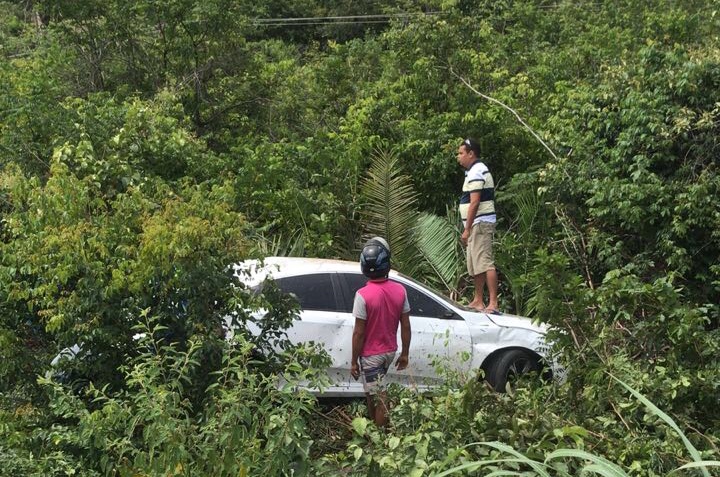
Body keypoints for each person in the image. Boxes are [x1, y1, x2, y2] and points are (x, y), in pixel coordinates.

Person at [350, 237, 411, 427]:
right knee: (372, 391)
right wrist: (405, 353)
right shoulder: (400, 290)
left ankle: (381, 436)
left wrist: (353, 361)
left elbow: (359, 333)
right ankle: (374, 427)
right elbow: (406, 325)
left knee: (380, 395)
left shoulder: (362, 295)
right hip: (389, 352)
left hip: (371, 355)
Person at [456, 138, 500, 314]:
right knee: (476, 263)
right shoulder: (472, 171)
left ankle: (493, 302)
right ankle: (478, 300)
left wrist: (467, 228)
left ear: (471, 154)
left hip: (480, 223)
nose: (459, 157)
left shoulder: (477, 170)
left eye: (461, 153)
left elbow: (475, 202)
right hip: (475, 223)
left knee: (485, 262)